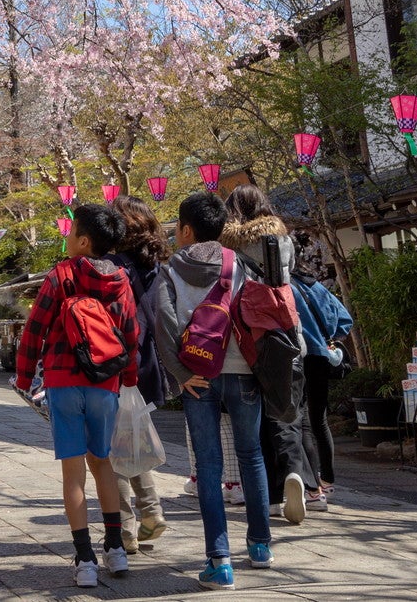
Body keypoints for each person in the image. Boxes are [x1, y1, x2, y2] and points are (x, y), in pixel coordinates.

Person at [15, 202, 140, 585]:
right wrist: (129, 379)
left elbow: (35, 327)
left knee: (73, 473)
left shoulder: (62, 275)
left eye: (71, 233)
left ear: (84, 241)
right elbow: (131, 335)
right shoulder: (121, 280)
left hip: (63, 382)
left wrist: (23, 377)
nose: (67, 238)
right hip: (104, 384)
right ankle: (116, 551)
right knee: (102, 463)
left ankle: (85, 560)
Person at [156, 190, 272, 591]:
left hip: (198, 375)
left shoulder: (171, 269)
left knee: (208, 465)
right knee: (251, 454)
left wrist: (180, 372)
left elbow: (164, 323)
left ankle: (219, 562)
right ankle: (260, 546)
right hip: (243, 371)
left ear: (186, 229)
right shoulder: (239, 262)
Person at [220, 185, 321, 521]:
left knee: (260, 416)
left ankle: (274, 495)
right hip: (290, 336)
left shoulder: (230, 246)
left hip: (251, 340)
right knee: (289, 410)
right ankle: (296, 473)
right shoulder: (283, 240)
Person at [109, 195, 170, 553]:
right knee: (132, 440)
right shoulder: (158, 266)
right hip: (149, 364)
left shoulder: (113, 266)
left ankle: (125, 529)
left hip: (120, 363)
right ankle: (151, 513)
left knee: (110, 448)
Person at [291, 262, 353, 497]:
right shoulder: (319, 288)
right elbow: (345, 320)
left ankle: (313, 486)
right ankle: (328, 479)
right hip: (322, 357)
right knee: (320, 420)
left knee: (303, 421)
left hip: (300, 356)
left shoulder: (288, 288)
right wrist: (329, 339)